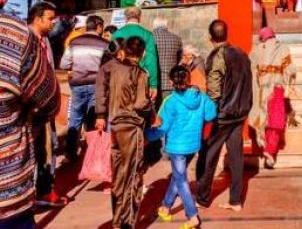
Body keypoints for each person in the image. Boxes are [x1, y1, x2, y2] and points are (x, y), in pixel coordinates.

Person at [0, 11, 60, 227]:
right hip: (8, 193)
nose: (54, 23)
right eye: (50, 19)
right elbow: (49, 99)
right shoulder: (14, 33)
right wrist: (32, 122)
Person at [148, 65, 216, 229]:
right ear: (188, 79)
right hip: (193, 145)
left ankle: (192, 216)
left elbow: (162, 127)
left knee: (181, 180)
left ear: (171, 81)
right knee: (178, 177)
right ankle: (165, 207)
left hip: (177, 147)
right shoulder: (201, 96)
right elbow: (211, 114)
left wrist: (147, 136)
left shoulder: (170, 101)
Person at [95, 36, 153, 229]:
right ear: (142, 53)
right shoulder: (140, 73)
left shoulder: (113, 69)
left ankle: (117, 220)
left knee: (119, 175)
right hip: (132, 127)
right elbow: (140, 104)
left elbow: (103, 91)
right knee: (133, 174)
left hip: (115, 125)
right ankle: (127, 222)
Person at [197, 20, 253, 212]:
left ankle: (203, 198)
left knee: (208, 156)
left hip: (222, 114)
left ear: (210, 37)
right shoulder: (241, 53)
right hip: (240, 111)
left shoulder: (217, 57)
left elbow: (213, 92)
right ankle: (235, 200)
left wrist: (208, 116)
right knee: (236, 156)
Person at [28, 1, 68, 209]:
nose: (53, 23)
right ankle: (36, 192)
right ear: (37, 18)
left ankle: (44, 189)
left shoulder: (44, 40)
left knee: (49, 147)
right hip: (33, 108)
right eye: (50, 19)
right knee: (36, 150)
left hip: (46, 108)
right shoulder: (27, 41)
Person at [60, 14, 108, 162]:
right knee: (94, 120)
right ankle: (92, 156)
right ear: (99, 27)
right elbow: (108, 67)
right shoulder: (104, 44)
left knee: (75, 120)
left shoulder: (74, 42)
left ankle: (70, 154)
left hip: (78, 85)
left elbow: (63, 64)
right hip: (97, 86)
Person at [248, 27, 296, 169]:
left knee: (264, 119)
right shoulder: (283, 48)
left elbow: (251, 69)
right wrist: (289, 84)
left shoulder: (256, 50)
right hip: (276, 89)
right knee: (275, 121)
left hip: (261, 90)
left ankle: (267, 147)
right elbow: (291, 70)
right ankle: (270, 150)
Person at [112, 6, 158, 96]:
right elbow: (151, 60)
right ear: (140, 18)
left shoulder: (116, 34)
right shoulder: (148, 35)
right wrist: (153, 85)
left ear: (125, 18)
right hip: (141, 77)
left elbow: (112, 59)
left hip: (121, 78)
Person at [152, 17, 183, 101]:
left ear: (154, 26)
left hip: (153, 83)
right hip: (170, 82)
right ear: (166, 26)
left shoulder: (150, 38)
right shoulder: (176, 39)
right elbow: (180, 60)